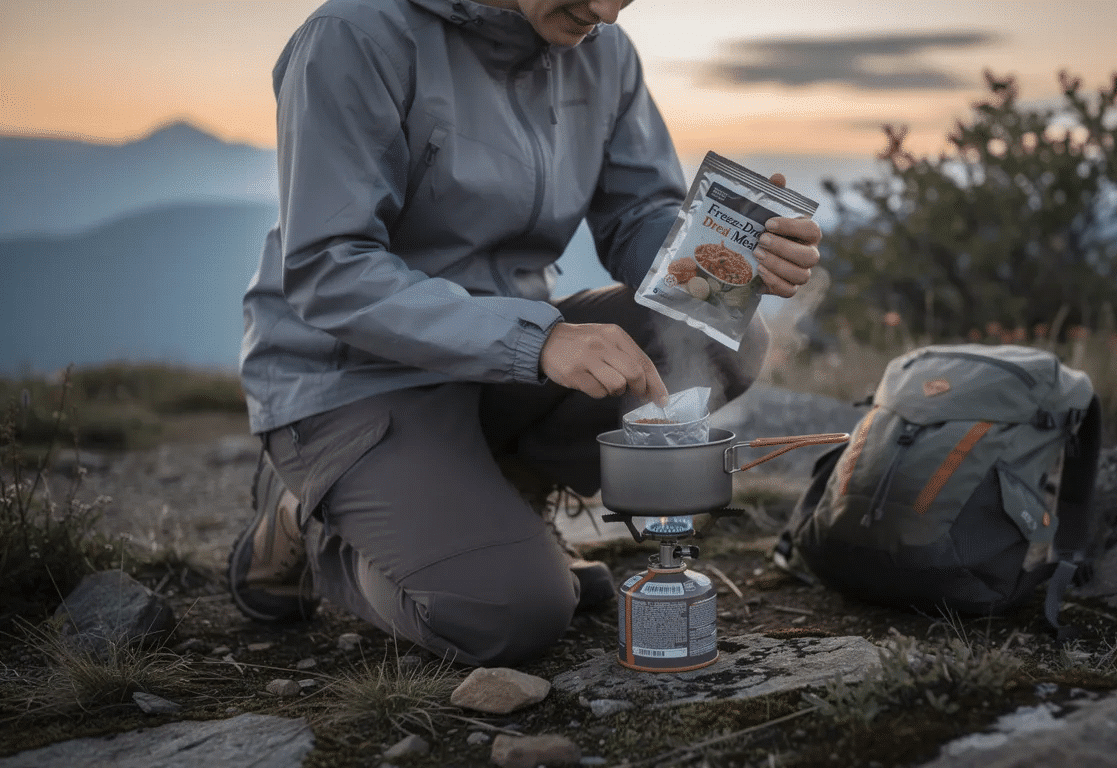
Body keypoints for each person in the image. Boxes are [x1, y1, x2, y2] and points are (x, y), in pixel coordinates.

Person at [228, 0, 822, 667]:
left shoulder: (602, 51)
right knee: (513, 613)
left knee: (725, 335)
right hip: (353, 379)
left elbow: (639, 214)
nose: (605, 12)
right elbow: (327, 269)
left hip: (503, 364)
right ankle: (308, 525)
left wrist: (732, 262)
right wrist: (537, 340)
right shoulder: (355, 37)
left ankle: (503, 493)